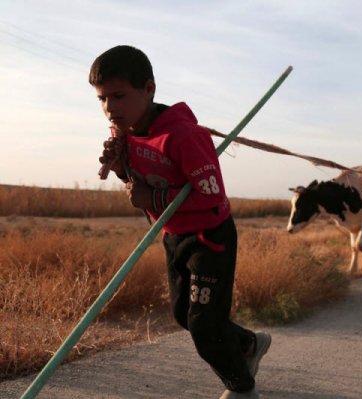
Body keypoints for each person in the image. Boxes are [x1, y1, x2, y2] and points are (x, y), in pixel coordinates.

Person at [89, 45, 270, 399]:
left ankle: (242, 386)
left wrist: (150, 199)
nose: (110, 108)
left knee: (204, 325)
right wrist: (121, 167)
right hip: (172, 235)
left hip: (209, 237)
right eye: (102, 99)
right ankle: (249, 345)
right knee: (183, 314)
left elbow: (211, 195)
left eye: (119, 96)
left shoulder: (184, 136)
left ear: (149, 89)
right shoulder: (122, 132)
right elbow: (136, 181)